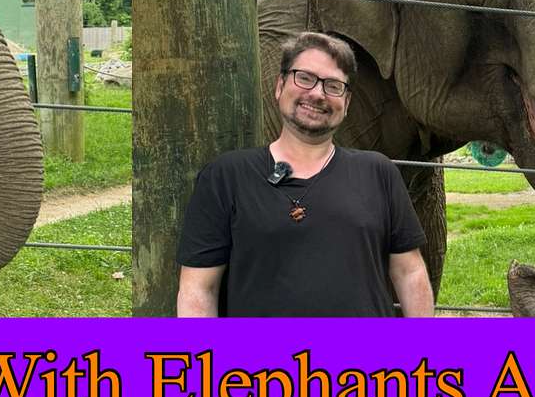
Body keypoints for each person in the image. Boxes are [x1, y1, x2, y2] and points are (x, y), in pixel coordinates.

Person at [176, 31, 434, 317]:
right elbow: (198, 289)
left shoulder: (379, 172)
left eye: (333, 86)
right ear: (279, 86)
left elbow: (409, 272)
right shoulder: (225, 176)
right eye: (305, 78)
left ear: (346, 104)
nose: (317, 93)